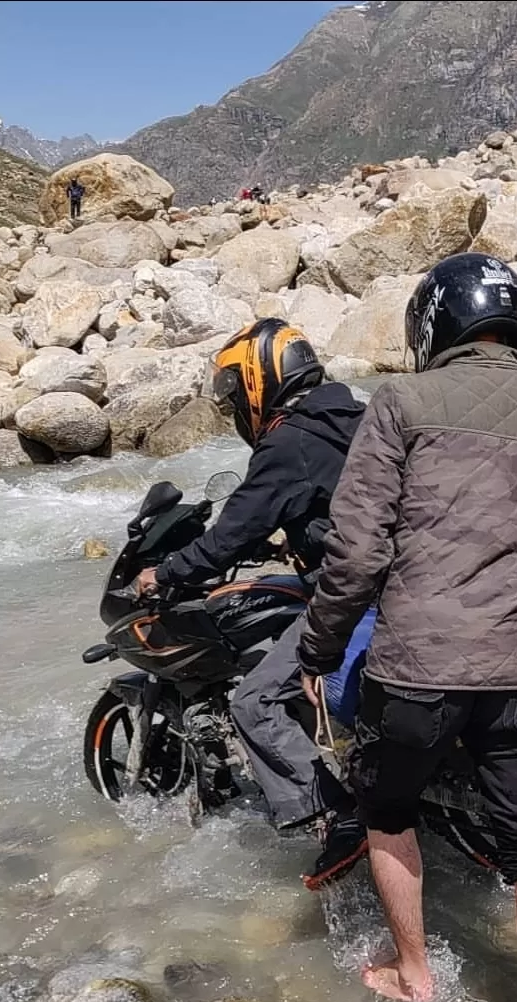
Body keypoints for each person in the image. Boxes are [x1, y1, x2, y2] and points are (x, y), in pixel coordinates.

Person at [296, 253, 517, 1002]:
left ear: (431, 327)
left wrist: (319, 648)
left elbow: (357, 548)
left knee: (387, 813)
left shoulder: (400, 403)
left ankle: (413, 973)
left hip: (414, 673)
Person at [131, 319, 369, 888]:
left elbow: (227, 537)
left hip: (352, 595)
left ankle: (338, 814)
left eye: (237, 392)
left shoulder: (290, 441)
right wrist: (300, 533)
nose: (236, 405)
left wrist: (164, 571)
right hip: (406, 581)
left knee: (254, 701)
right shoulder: (353, 417)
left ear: (263, 382)